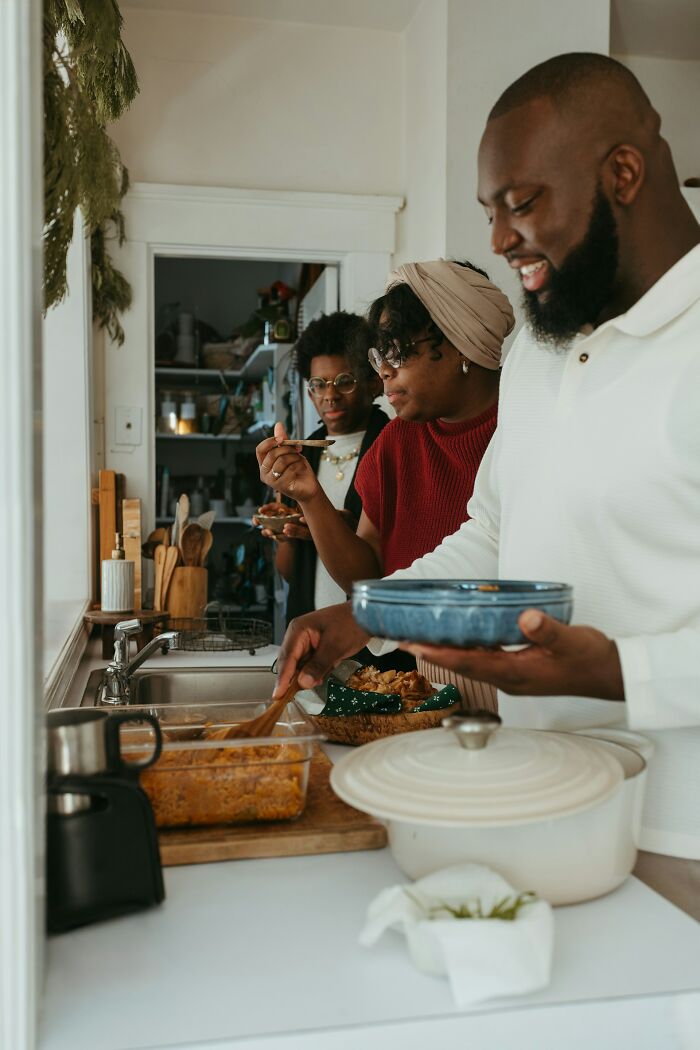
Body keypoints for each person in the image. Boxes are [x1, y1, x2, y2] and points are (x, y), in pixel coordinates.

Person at [273, 54, 700, 856]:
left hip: (685, 834)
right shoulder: (540, 350)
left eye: (522, 204)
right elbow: (494, 535)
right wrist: (366, 616)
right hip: (540, 795)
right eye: (489, 211)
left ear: (624, 173)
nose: (501, 239)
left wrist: (614, 671)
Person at [257, 260, 514, 701]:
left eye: (397, 354)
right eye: (379, 357)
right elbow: (366, 577)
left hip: (518, 683)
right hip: (420, 683)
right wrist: (311, 497)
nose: (383, 372)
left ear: (461, 345)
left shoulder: (526, 429)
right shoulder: (398, 442)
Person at [254, 311, 388, 623]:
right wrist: (286, 533)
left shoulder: (390, 446)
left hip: (370, 638)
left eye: (344, 382)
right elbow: (290, 574)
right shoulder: (301, 456)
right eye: (318, 384)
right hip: (312, 630)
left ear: (373, 382)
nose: (329, 395)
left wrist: (340, 528)